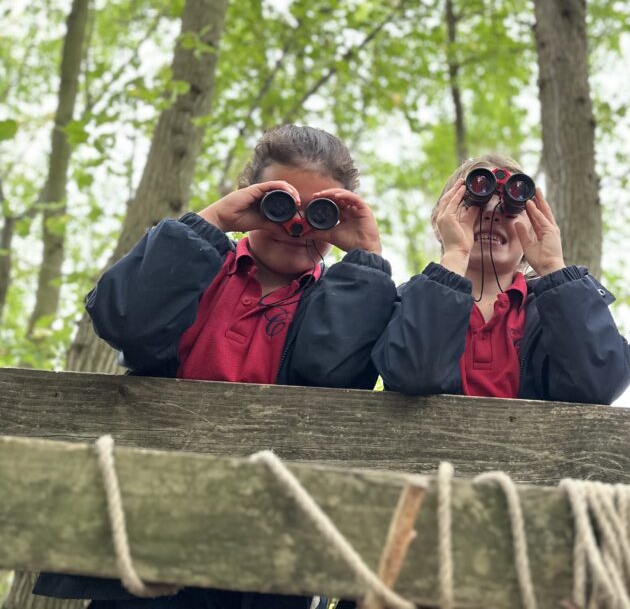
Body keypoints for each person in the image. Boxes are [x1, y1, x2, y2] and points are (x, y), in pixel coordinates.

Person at [35, 124, 397, 609]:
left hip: (271, 548)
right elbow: (123, 319)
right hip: (149, 530)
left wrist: (367, 260)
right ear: (251, 196)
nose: (296, 226)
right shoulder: (193, 267)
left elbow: (330, 373)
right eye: (281, 205)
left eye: (319, 215)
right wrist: (210, 222)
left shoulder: (347, 299)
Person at [371, 154, 630, 404]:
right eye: (476, 203)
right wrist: (455, 255)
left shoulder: (555, 309)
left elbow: (600, 384)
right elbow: (414, 373)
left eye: (510, 210)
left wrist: (554, 267)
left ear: (534, 228)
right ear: (441, 221)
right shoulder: (409, 301)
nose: (492, 213)